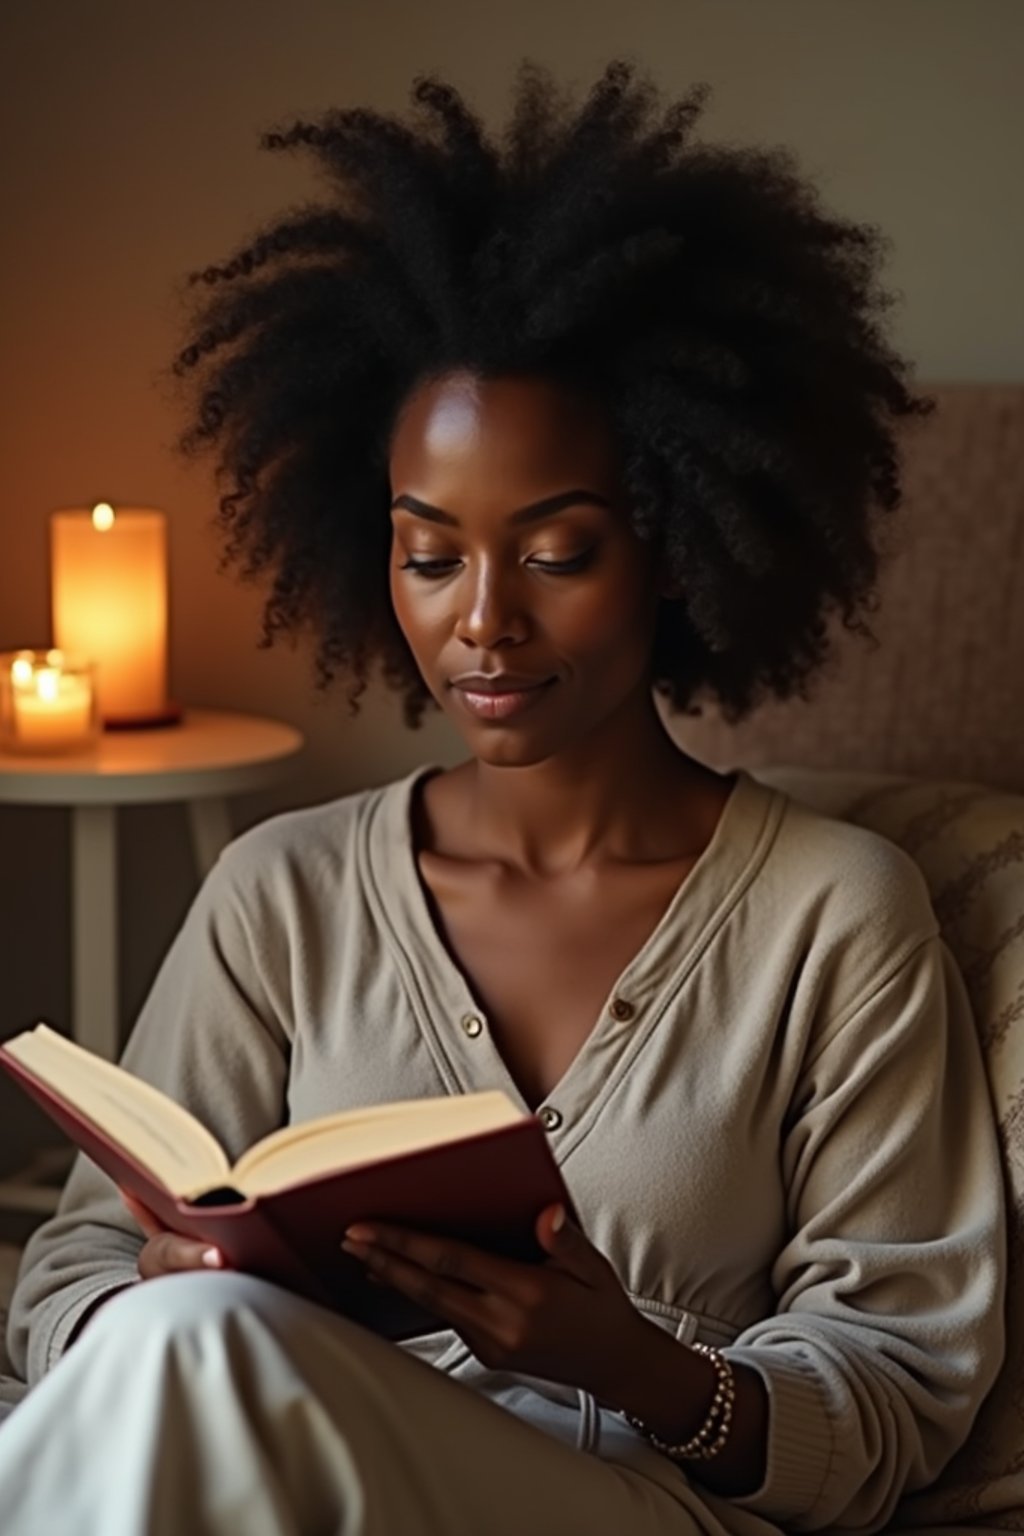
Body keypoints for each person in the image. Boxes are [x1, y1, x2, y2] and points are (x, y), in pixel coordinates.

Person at [0, 59, 1006, 1536]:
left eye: (555, 551)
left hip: (629, 1506)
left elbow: (900, 1394)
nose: (483, 622)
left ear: (675, 543)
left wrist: (645, 1367)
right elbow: (70, 1287)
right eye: (429, 555)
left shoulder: (836, 915)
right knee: (173, 1342)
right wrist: (156, 1285)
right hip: (260, 1464)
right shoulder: (284, 892)